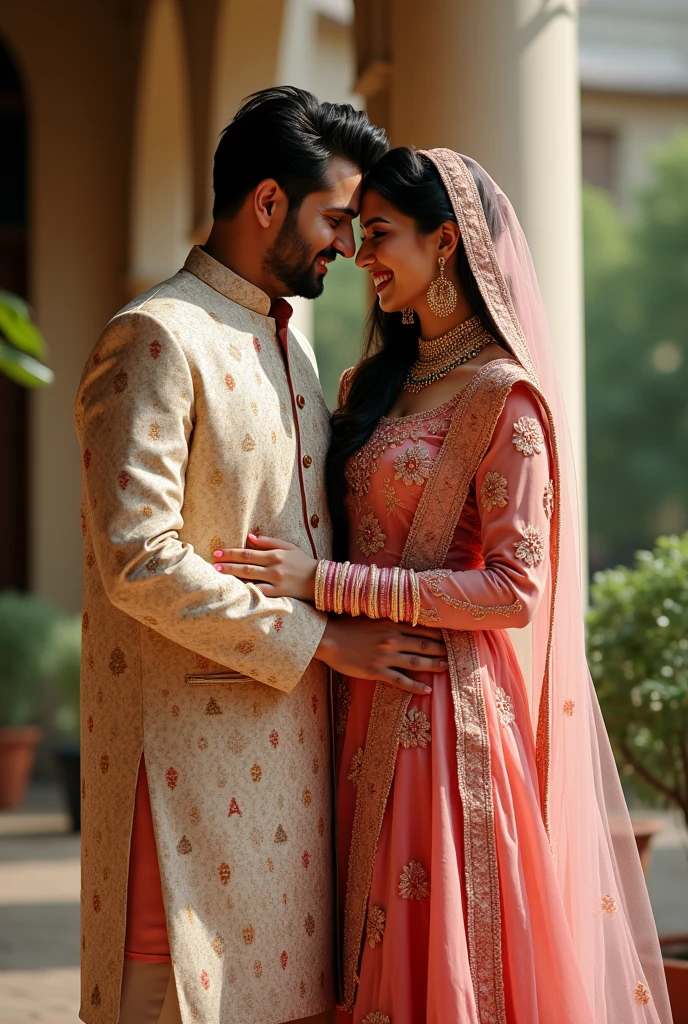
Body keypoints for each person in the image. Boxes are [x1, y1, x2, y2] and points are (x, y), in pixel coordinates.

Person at [214, 147, 674, 1023]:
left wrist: (329, 583)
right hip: (351, 707)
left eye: (381, 234)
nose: (361, 255)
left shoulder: (506, 399)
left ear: (449, 240)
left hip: (445, 715)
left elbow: (515, 590)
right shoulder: (363, 387)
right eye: (359, 234)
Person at [75, 90, 448, 1024]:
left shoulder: (291, 349)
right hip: (191, 775)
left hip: (304, 783)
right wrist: (319, 639)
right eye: (335, 219)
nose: (348, 246)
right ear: (269, 204)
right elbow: (139, 559)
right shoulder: (159, 335)